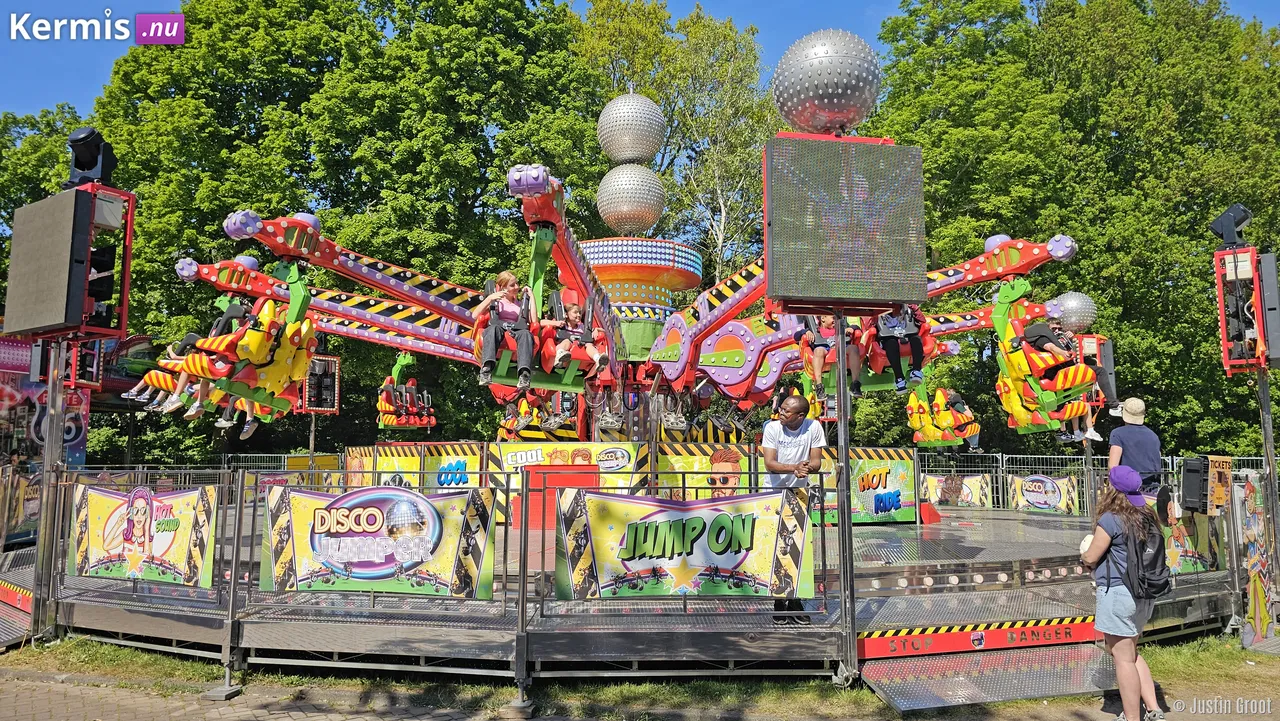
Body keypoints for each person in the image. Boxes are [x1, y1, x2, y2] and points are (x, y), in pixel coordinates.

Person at [1080, 466, 1165, 721]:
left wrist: (1083, 556)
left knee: (1123, 658)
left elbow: (1092, 555)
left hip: (1118, 593)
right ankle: (1154, 709)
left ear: (1112, 488)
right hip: (1144, 593)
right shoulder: (1147, 515)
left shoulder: (1112, 518)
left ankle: (1131, 717)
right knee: (1131, 651)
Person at [761, 395, 826, 625]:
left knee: (800, 548)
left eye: (787, 411)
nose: (781, 412)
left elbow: (817, 461)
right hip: (773, 492)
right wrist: (793, 468)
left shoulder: (814, 427)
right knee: (775, 548)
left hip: (799, 493)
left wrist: (807, 467)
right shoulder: (772, 428)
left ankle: (796, 599)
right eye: (782, 408)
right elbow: (770, 462)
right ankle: (779, 602)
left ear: (800, 416)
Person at [473, 271, 536, 391]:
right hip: (499, 328)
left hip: (516, 331)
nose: (517, 287)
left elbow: (533, 319)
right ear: (503, 287)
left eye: (517, 283)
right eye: (512, 285)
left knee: (526, 334)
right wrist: (490, 298)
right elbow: (475, 315)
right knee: (493, 329)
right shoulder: (497, 301)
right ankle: (486, 370)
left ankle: (524, 375)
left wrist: (531, 296)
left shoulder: (520, 304)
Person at [801, 316, 863, 400]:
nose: (835, 321)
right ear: (823, 319)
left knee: (854, 348)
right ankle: (819, 386)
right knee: (818, 351)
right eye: (833, 318)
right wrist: (806, 331)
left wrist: (851, 328)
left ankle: (855, 384)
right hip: (824, 347)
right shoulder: (816, 329)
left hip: (841, 346)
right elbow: (796, 335)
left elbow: (857, 327)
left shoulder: (840, 327)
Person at [1109, 398, 1163, 492]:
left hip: (1128, 488)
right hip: (1152, 489)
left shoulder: (1117, 434)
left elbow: (1113, 466)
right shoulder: (1153, 436)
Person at [876, 304, 925, 394]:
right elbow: (870, 323)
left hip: (908, 335)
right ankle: (899, 378)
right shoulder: (880, 313)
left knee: (916, 339)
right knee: (891, 343)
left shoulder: (907, 310)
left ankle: (916, 371)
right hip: (888, 338)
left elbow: (922, 321)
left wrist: (915, 308)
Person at [546, 303, 607, 372]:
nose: (578, 315)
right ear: (566, 315)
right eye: (575, 312)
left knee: (589, 344)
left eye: (580, 313)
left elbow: (603, 330)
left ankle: (598, 359)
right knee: (567, 341)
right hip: (565, 347)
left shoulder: (582, 327)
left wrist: (596, 329)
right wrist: (555, 323)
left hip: (580, 347)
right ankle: (560, 356)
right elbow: (542, 322)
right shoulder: (562, 324)